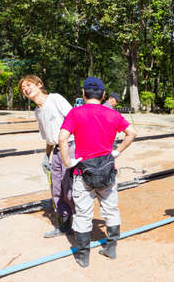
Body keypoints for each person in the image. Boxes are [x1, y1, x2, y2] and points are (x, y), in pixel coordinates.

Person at [58, 77, 136, 267]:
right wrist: (117, 152)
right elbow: (132, 133)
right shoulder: (113, 114)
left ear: (83, 94)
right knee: (111, 209)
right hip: (108, 171)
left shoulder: (75, 113)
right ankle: (111, 248)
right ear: (103, 95)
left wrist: (68, 162)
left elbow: (61, 138)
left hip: (82, 173)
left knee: (83, 214)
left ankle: (83, 256)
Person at [18, 75, 75, 238]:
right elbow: (49, 137)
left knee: (70, 188)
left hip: (70, 146)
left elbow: (74, 119)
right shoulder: (37, 111)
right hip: (56, 151)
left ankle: (81, 225)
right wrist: (46, 156)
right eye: (23, 89)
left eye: (29, 85)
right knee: (57, 189)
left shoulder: (55, 99)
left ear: (39, 84)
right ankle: (64, 226)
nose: (26, 89)